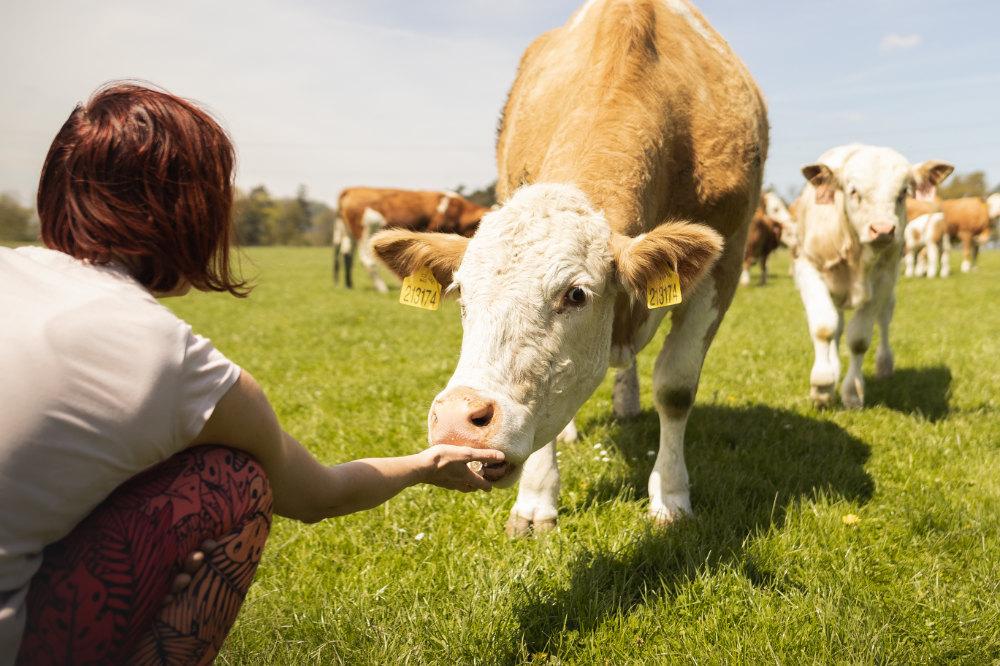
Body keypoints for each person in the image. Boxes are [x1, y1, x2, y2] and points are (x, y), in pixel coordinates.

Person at [0, 82, 505, 665]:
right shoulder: (172, 362)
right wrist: (426, 464)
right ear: (192, 210)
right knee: (233, 481)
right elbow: (319, 494)